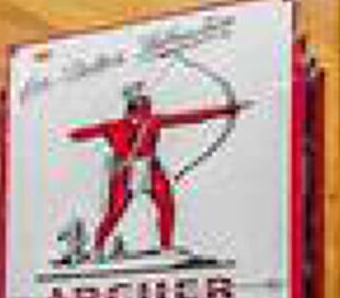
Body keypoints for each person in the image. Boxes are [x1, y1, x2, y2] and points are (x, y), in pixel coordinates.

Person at [68, 80, 234, 259]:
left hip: (150, 169)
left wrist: (226, 110)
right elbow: (77, 134)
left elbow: (190, 117)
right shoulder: (115, 126)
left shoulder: (153, 121)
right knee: (114, 213)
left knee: (166, 205)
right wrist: (79, 134)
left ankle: (166, 247)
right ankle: (97, 248)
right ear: (131, 105)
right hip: (125, 172)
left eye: (144, 100)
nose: (144, 104)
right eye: (139, 100)